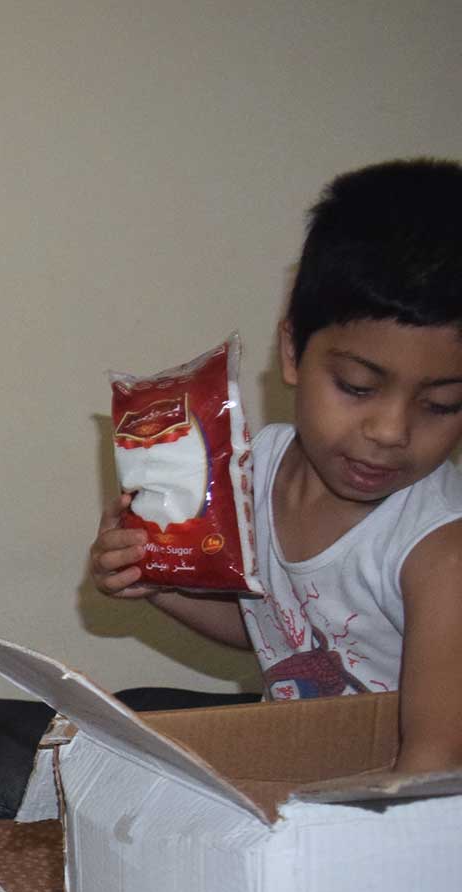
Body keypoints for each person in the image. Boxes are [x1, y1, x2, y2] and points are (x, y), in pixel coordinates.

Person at [90, 159, 462, 774]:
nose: (392, 432)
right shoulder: (254, 470)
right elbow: (269, 629)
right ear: (292, 352)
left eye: (442, 404)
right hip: (307, 763)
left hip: (402, 806)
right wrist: (159, 586)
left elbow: (436, 760)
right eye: (357, 387)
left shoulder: (439, 554)